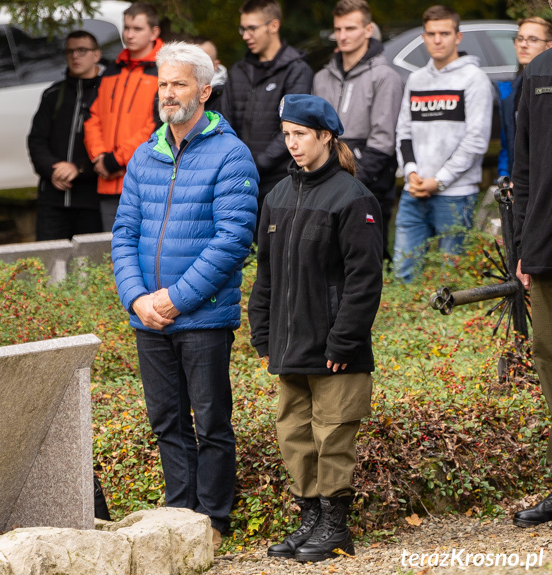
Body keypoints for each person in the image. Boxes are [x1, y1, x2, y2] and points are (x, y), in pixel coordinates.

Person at [111, 42, 258, 552]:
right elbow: (124, 232)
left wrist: (175, 299)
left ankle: (214, 521)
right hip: (148, 318)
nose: (168, 93)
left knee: (211, 421)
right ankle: (179, 514)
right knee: (166, 420)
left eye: (178, 84)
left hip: (202, 317)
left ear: (204, 90)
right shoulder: (146, 153)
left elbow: (233, 239)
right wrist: (137, 300)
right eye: (163, 83)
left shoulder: (230, 153)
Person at [248, 94, 382, 562]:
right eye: (286, 135)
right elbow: (265, 275)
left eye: (301, 134)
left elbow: (365, 281)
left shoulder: (353, 198)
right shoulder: (277, 197)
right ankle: (310, 518)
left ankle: (335, 526)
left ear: (326, 135)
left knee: (333, 436)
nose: (293, 144)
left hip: (335, 350)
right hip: (290, 346)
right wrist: (261, 334)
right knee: (296, 435)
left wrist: (344, 340)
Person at [393, 5, 493, 283]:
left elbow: (475, 142)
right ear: (423, 36)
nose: (437, 40)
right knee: (404, 273)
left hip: (456, 194)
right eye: (431, 33)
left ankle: (447, 328)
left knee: (451, 280)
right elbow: (403, 132)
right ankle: (407, 324)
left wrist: (439, 180)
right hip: (414, 192)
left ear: (458, 37)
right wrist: (411, 173)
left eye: (444, 33)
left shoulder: (474, 79)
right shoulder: (416, 79)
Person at [313, 0, 403, 262]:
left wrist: (348, 180)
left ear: (368, 30)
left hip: (370, 179)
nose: (342, 36)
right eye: (338, 29)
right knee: (328, 258)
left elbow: (383, 141)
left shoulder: (385, 76)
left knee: (365, 259)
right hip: (325, 174)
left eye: (350, 28)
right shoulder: (321, 77)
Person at [217, 0, 313, 229]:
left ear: (273, 25)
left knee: (274, 253)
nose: (245, 35)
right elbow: (225, 123)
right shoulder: (238, 71)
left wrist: (255, 165)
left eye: (252, 28)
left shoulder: (297, 70)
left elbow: (292, 129)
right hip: (239, 180)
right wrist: (236, 166)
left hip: (281, 180)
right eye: (243, 28)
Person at [512, 5, 552, 529]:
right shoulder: (538, 73)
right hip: (544, 249)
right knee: (549, 363)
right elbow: (522, 167)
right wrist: (522, 244)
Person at [84, 2, 163, 232]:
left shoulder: (165, 69)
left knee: (148, 253)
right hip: (108, 182)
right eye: (126, 27)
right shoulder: (111, 70)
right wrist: (99, 156)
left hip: (146, 182)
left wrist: (117, 159)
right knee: (113, 254)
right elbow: (92, 116)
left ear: (154, 32)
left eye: (137, 29)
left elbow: (159, 125)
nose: (129, 34)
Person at [27, 30, 104, 240]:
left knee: (88, 267)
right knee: (49, 265)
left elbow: (111, 144)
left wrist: (78, 168)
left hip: (91, 201)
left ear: (96, 55)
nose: (75, 56)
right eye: (70, 51)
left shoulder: (107, 93)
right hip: (52, 200)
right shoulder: (53, 94)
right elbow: (36, 140)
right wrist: (53, 169)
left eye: (82, 50)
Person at [497, 17, 552, 180]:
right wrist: (506, 177)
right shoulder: (509, 91)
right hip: (520, 184)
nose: (523, 44)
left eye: (533, 39)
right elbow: (507, 144)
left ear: (549, 45)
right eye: (520, 39)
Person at [193, 37, 228, 111]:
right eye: (192, 61)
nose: (196, 66)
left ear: (215, 65)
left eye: (203, 62)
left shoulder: (227, 96)